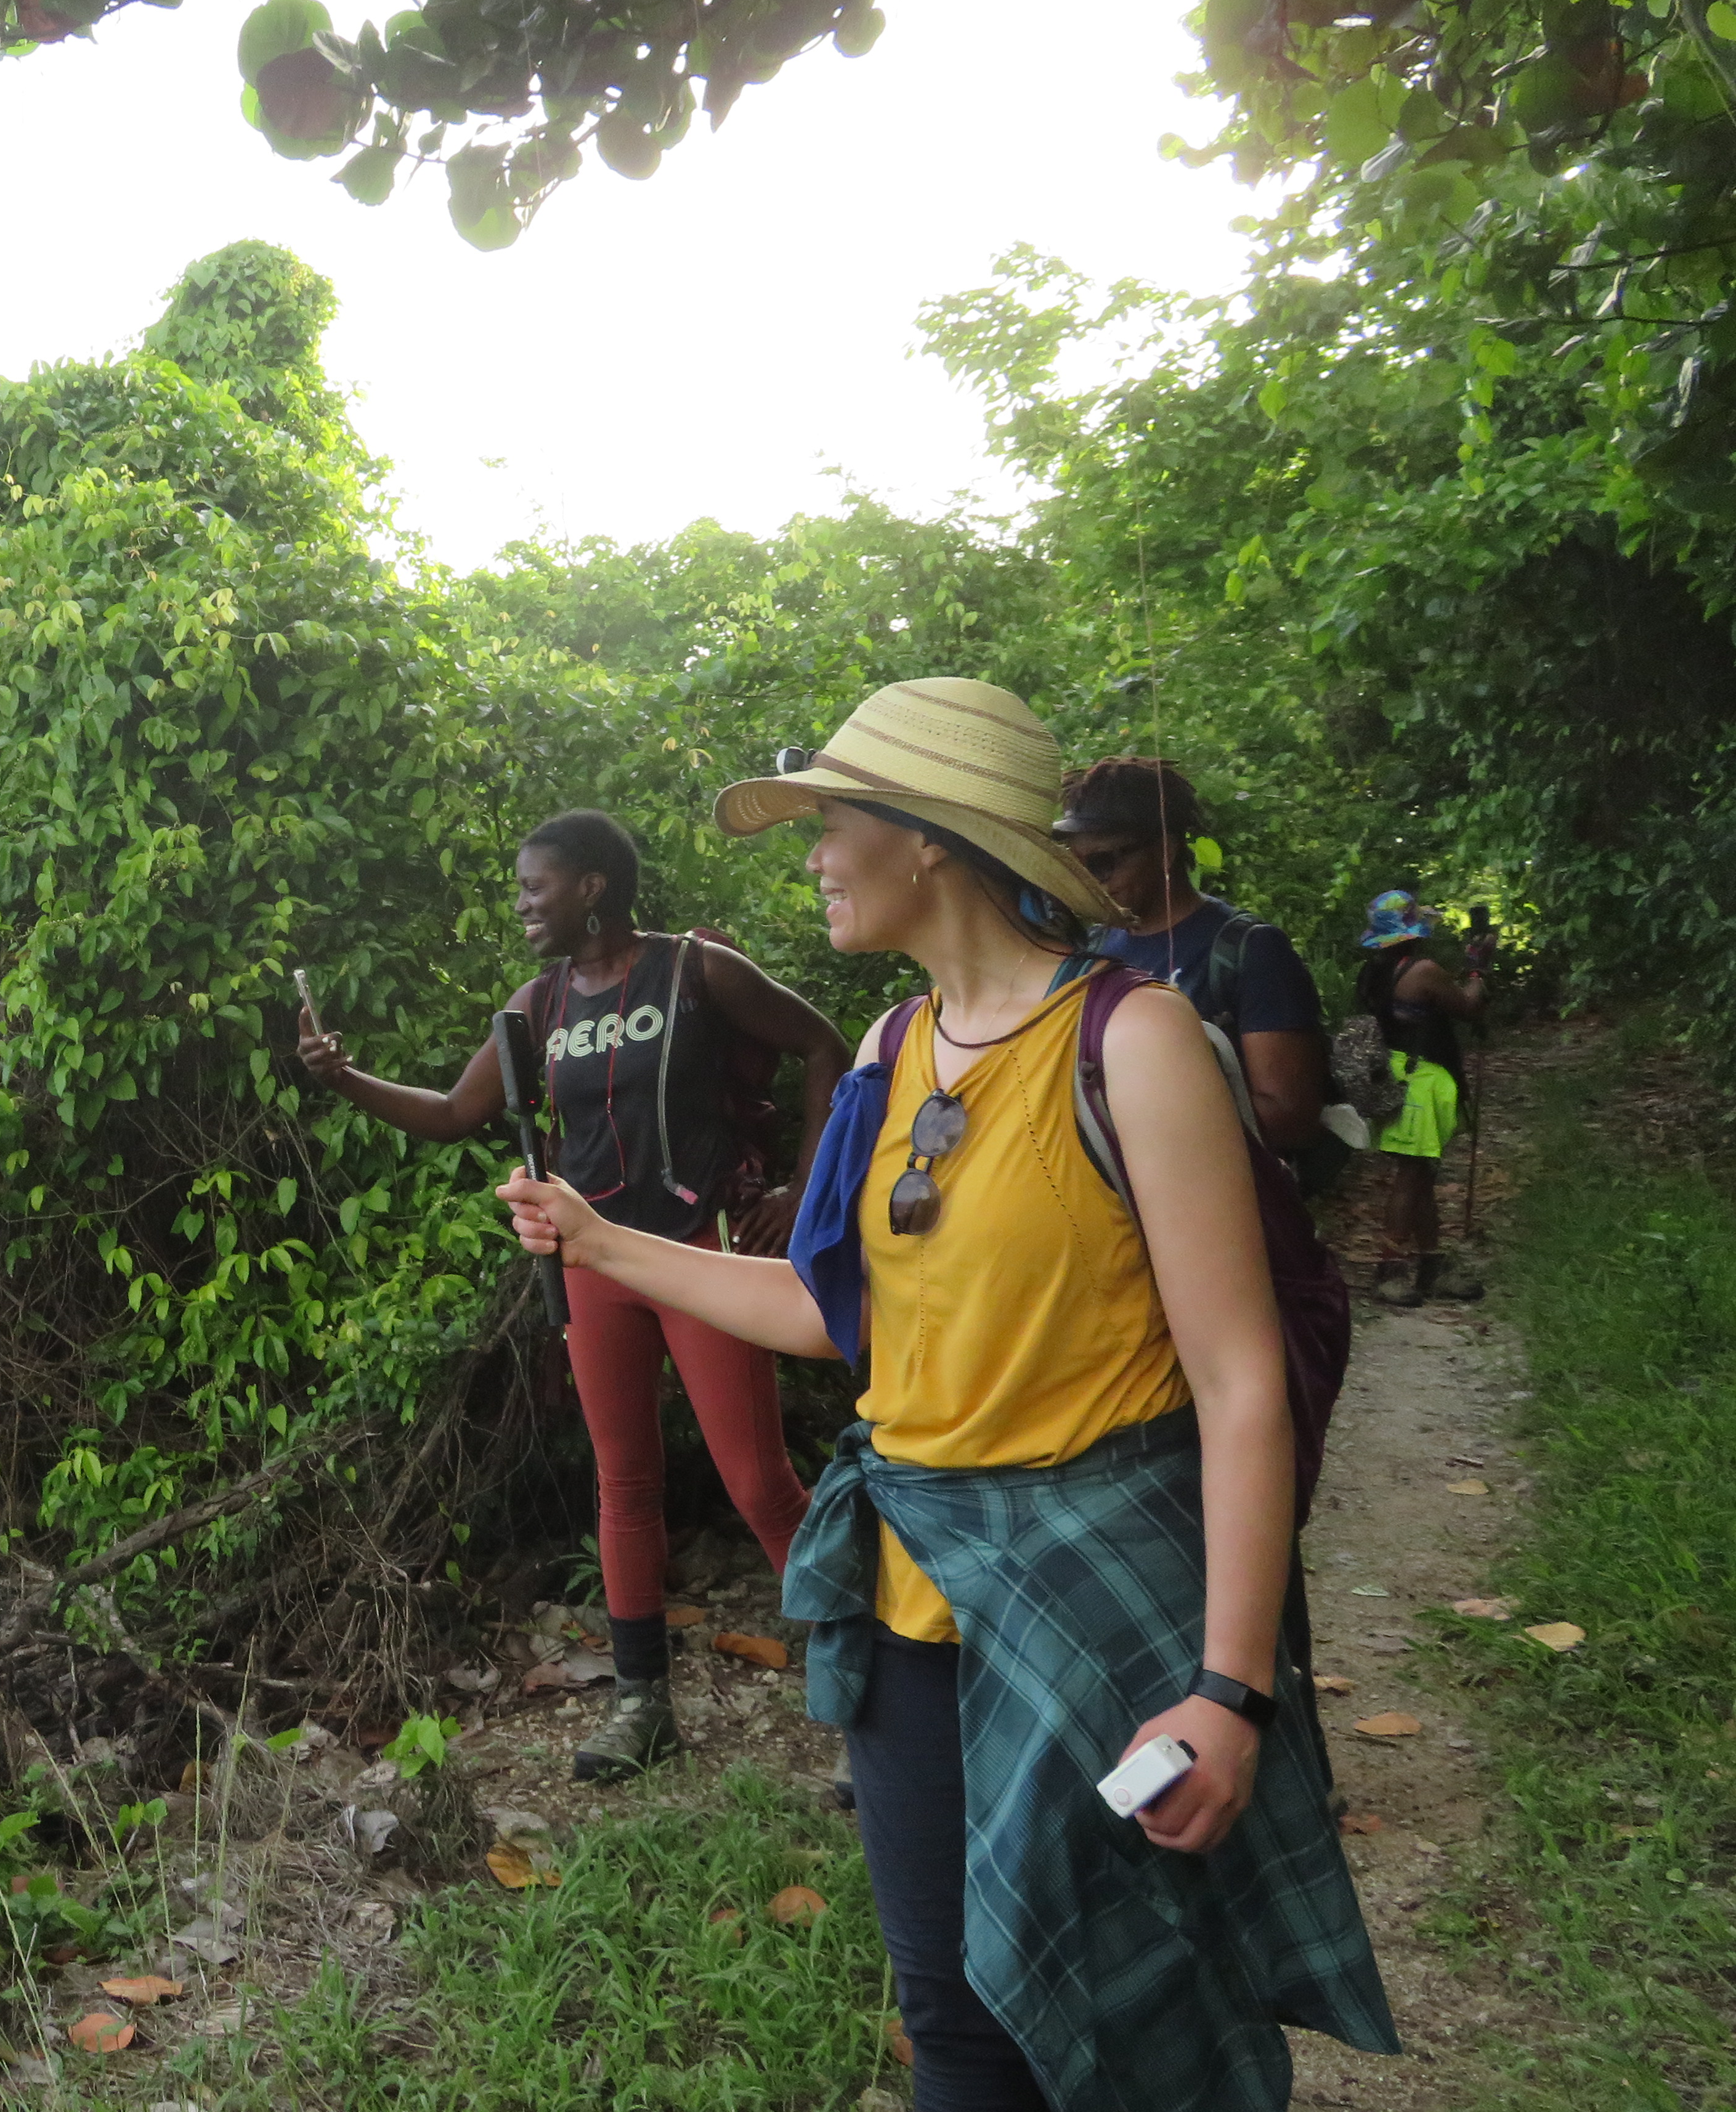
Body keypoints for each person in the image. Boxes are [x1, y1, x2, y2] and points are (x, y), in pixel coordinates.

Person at [494, 680, 1393, 2112]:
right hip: (911, 1602)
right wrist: (600, 1243)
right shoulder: (887, 1050)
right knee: (956, 2018)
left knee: (1144, 1997)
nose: (812, 857)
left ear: (926, 835)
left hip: (1099, 1608)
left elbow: (1237, 1382)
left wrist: (1231, 1689)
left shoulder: (1135, 1039)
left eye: (831, 823)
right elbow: (824, 1311)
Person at [298, 807, 851, 1781]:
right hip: (594, 1263)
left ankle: (864, 1695)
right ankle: (642, 1704)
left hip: (698, 1252)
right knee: (623, 1481)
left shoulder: (695, 971)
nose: (521, 903)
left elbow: (825, 1046)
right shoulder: (539, 1004)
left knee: (759, 1482)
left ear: (592, 887)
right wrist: (344, 1078)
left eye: (534, 886)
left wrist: (800, 1195)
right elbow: (453, 1113)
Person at [1054, 757, 1336, 1175]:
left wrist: (1142, 1118)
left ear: (1165, 851)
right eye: (1077, 867)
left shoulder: (1252, 951)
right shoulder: (1093, 948)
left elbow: (1289, 1116)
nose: (1091, 881)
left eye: (1102, 863)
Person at [1355, 890, 1490, 1307]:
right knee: (1412, 1174)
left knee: (1420, 1174)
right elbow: (1469, 1007)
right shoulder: (1424, 971)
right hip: (1420, 1079)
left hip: (1394, 1074)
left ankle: (1433, 1264)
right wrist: (1478, 967)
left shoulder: (1374, 972)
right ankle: (1390, 1269)